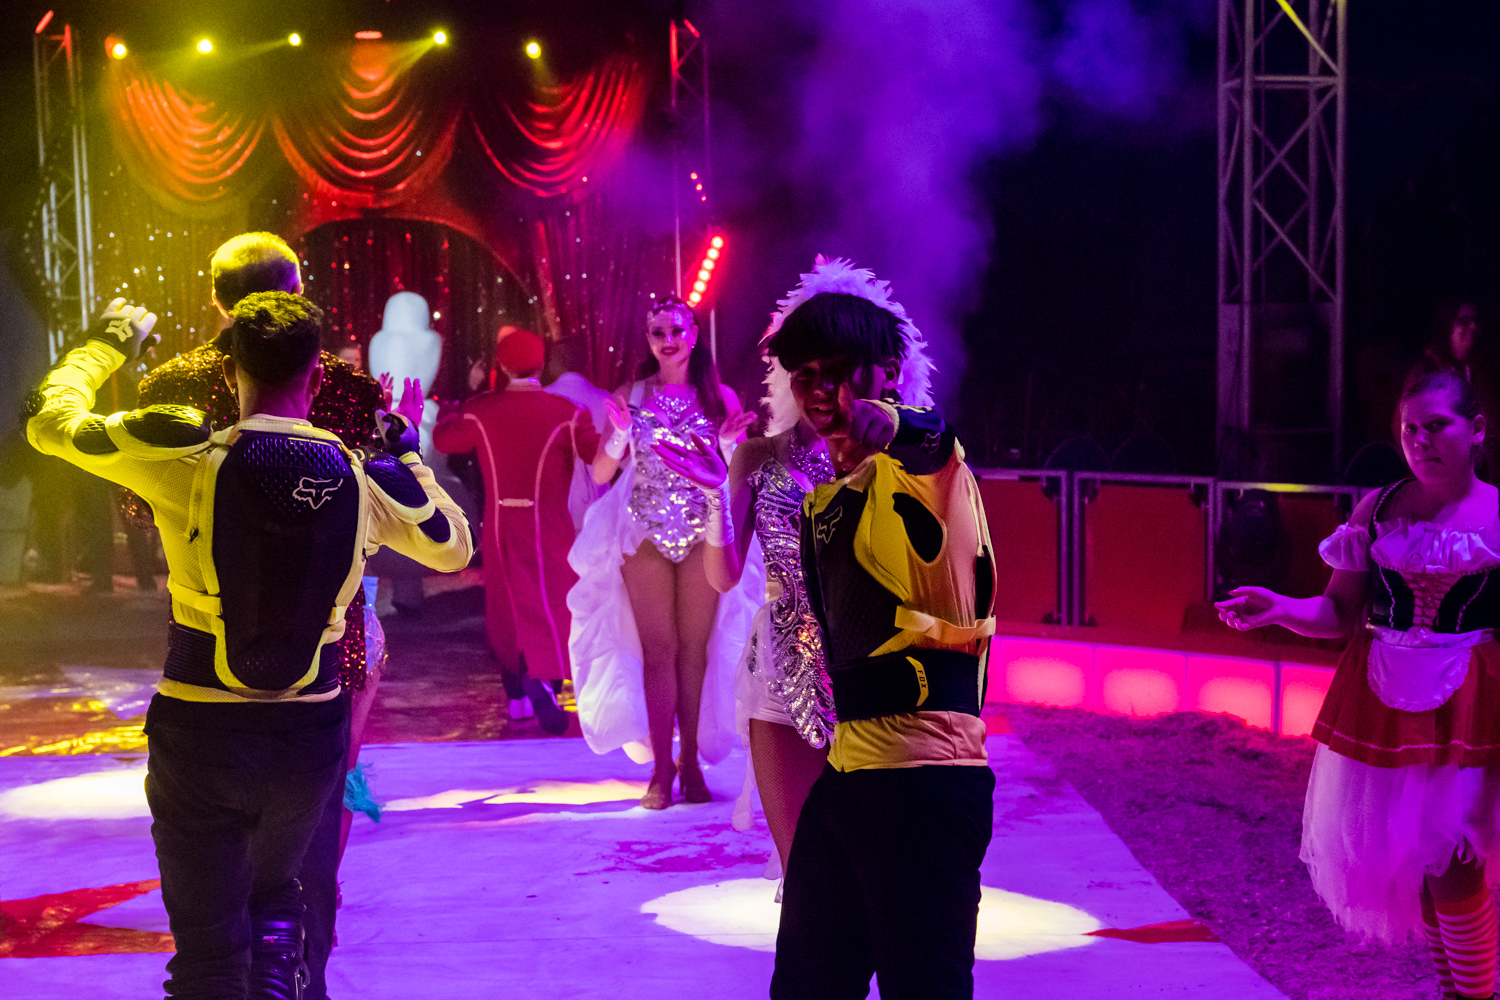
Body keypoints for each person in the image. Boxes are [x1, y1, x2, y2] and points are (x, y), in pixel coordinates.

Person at [27, 292, 472, 999]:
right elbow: (452, 548)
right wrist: (409, 456)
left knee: (207, 957)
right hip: (306, 733)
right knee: (275, 900)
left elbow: (49, 424)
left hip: (202, 727)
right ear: (317, 378)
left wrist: (107, 342)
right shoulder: (359, 478)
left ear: (232, 370)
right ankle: (277, 965)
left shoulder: (184, 460)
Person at [133, 231, 387, 1000]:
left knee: (214, 868)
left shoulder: (172, 383)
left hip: (211, 648)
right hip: (325, 647)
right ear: (298, 292)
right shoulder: (344, 386)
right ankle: (304, 983)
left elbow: (140, 507)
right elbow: (375, 504)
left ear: (217, 299)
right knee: (305, 848)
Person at [746, 258, 995, 1000]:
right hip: (850, 775)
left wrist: (899, 422)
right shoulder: (828, 495)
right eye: (806, 376)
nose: (822, 391)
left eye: (839, 372)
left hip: (924, 782)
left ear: (887, 372)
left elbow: (932, 440)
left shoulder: (926, 473)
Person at [1218, 366, 1500, 1000]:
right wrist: (1280, 607)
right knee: (1424, 869)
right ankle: (1458, 993)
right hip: (1384, 701)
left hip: (1470, 709)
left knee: (1456, 865)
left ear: (1476, 429)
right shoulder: (1379, 507)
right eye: (1409, 429)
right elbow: (1339, 612)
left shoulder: (1497, 515)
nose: (1421, 441)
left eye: (1436, 426)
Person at [568, 295, 756, 808]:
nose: (668, 341)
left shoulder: (720, 396)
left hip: (703, 533)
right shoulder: (631, 393)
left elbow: (736, 475)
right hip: (642, 532)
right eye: (658, 332)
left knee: (696, 650)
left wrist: (729, 445)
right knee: (659, 651)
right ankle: (660, 769)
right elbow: (602, 473)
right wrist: (619, 435)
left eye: (677, 330)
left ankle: (689, 762)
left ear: (693, 334)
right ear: (648, 340)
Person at [433, 328, 599, 735]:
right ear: (542, 365)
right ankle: (543, 679)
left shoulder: (482, 410)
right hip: (550, 524)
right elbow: (599, 454)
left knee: (505, 604)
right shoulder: (566, 412)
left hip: (501, 523)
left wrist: (456, 403)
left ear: (502, 366)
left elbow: (445, 440)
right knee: (549, 602)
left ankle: (518, 691)